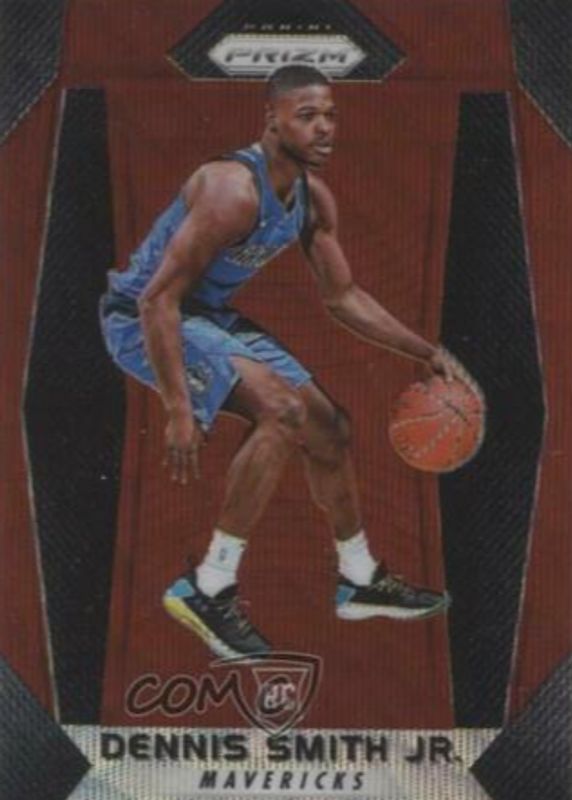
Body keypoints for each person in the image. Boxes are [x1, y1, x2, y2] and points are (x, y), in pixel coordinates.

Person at [100, 65, 458, 661]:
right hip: (141, 321)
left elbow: (343, 297)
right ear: (272, 119)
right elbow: (155, 301)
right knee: (284, 411)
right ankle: (209, 587)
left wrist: (426, 351)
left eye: (331, 116)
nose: (325, 128)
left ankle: (359, 578)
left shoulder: (313, 199)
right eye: (307, 116)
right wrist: (179, 409)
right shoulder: (231, 191)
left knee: (329, 428)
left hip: (205, 316)